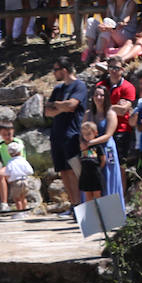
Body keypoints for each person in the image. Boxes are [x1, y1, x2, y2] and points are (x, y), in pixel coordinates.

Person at [45, 56, 88, 209]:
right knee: (63, 171)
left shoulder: (79, 86)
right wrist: (61, 107)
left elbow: (72, 105)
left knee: (73, 171)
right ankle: (74, 205)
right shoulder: (58, 89)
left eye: (56, 70)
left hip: (72, 134)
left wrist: (56, 105)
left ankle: (82, 205)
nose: (54, 73)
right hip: (57, 135)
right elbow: (47, 111)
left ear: (64, 70)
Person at [78, 120, 107, 200]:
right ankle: (91, 211)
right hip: (85, 173)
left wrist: (99, 168)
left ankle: (101, 210)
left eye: (88, 134)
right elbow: (80, 159)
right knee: (88, 194)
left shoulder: (97, 146)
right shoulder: (82, 147)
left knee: (97, 193)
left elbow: (103, 159)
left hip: (95, 173)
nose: (86, 136)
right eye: (84, 134)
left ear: (95, 133)